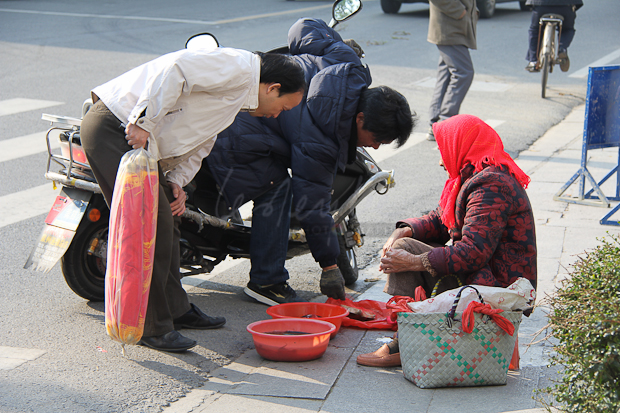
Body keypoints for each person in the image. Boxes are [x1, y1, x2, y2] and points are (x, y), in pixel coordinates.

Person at [80, 46, 306, 352]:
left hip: (136, 137)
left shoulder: (241, 95)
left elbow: (203, 139)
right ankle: (151, 327)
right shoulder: (241, 68)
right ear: (272, 88)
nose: (277, 115)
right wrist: (144, 120)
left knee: (170, 221)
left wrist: (176, 181)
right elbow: (176, 69)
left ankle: (176, 309)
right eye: (283, 107)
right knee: (151, 230)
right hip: (117, 127)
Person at [205, 18, 416, 306]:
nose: (376, 146)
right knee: (277, 188)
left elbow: (302, 28)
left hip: (232, 103)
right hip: (232, 132)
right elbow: (313, 208)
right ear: (360, 118)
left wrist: (336, 42)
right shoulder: (321, 140)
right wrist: (329, 267)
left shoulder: (344, 61)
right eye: (376, 138)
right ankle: (267, 281)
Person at [357, 114, 537, 367]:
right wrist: (405, 229)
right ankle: (408, 331)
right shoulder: (473, 176)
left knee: (405, 251)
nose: (442, 161)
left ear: (461, 145)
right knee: (405, 243)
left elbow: (472, 252)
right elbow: (443, 220)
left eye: (444, 150)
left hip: (495, 287)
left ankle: (405, 342)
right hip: (483, 276)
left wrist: (414, 262)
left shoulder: (491, 185)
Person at [425, 0, 478, 142]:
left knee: (447, 73)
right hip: (450, 27)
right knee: (463, 73)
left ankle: (436, 125)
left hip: (455, 26)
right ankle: (445, 123)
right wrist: (460, 11)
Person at [524, 0, 583, 73]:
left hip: (541, 6)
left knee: (535, 30)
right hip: (565, 6)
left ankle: (533, 61)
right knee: (567, 29)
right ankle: (562, 49)